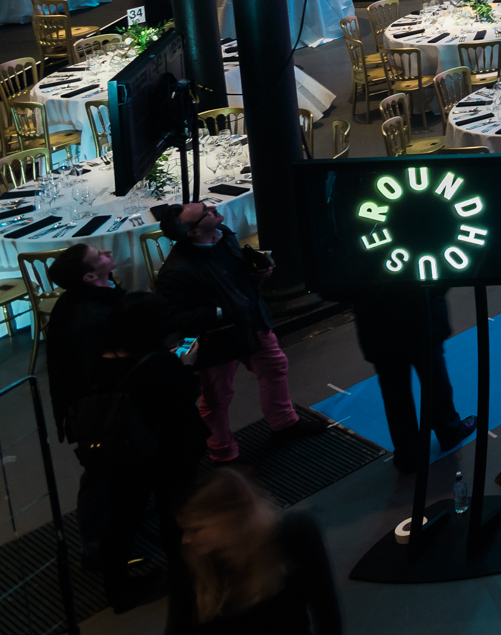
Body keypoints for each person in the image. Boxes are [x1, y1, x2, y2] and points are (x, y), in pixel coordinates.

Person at [151, 203, 326, 463]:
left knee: (275, 368)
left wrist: (257, 274)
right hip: (215, 340)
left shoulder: (224, 234)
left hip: (251, 322)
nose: (212, 209)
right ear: (192, 232)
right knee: (217, 396)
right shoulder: (175, 272)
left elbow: (236, 274)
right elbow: (172, 319)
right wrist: (221, 312)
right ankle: (222, 452)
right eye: (204, 213)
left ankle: (285, 424)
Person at [84, 292, 209, 611]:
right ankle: (184, 579)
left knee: (123, 519)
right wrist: (185, 365)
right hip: (169, 452)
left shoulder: (101, 357)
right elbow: (184, 396)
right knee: (175, 516)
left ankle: (118, 589)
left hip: (123, 455)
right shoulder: (161, 363)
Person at [167, 467, 342, 635]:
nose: (185, 540)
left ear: (230, 519)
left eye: (196, 529)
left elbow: (326, 612)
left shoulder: (294, 534)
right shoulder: (191, 562)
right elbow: (178, 628)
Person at [48, 245, 125, 564]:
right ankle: (94, 546)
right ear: (91, 275)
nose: (108, 252)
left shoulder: (93, 298)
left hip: (99, 404)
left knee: (111, 470)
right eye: (99, 255)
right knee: (100, 474)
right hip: (96, 410)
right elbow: (96, 372)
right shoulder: (88, 318)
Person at [352, 281, 474, 475]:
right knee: (433, 373)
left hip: (375, 319)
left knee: (394, 387)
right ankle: (449, 430)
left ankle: (409, 453)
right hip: (419, 310)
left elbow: (333, 286)